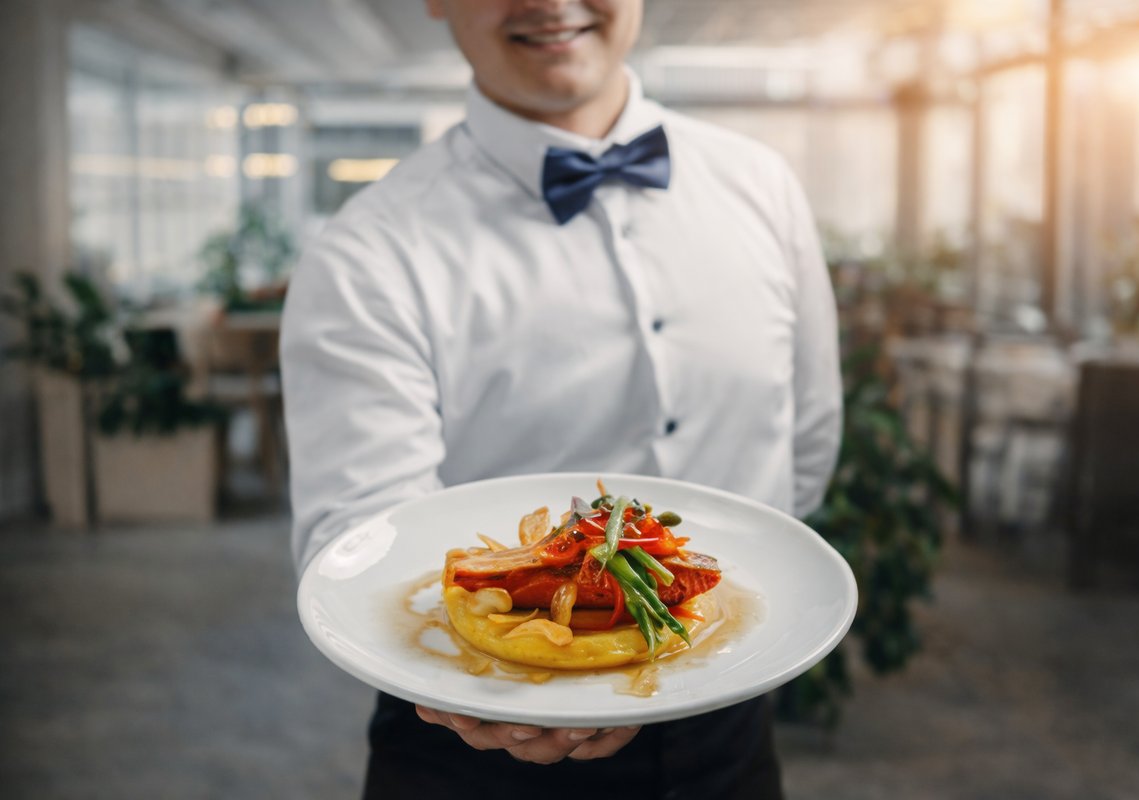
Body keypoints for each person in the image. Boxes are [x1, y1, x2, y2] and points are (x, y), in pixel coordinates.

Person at [281, 0, 842, 797]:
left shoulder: (764, 187)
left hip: (729, 730)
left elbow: (807, 447)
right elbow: (360, 535)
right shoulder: (366, 251)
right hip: (472, 728)